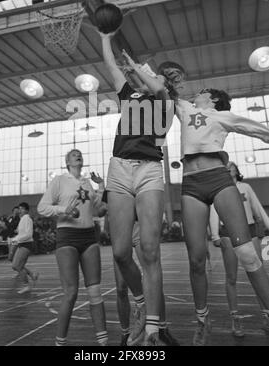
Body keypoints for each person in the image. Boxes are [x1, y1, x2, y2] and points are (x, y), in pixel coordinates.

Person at [167, 77, 269, 346]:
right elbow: (158, 88)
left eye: (201, 92)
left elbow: (254, 128)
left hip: (218, 178)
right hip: (191, 183)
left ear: (211, 99)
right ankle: (202, 320)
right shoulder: (183, 108)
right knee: (197, 259)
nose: (196, 94)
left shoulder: (221, 115)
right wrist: (136, 68)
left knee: (246, 252)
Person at [100, 32, 175, 346]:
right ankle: (143, 302)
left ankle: (154, 330)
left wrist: (133, 62)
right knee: (119, 252)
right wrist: (106, 37)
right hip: (119, 168)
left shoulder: (163, 98)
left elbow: (157, 84)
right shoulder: (127, 92)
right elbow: (109, 65)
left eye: (153, 72)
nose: (151, 75)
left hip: (148, 171)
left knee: (149, 249)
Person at [37, 149, 108, 347]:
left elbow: (98, 207)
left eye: (80, 154)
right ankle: (60, 343)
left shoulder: (86, 183)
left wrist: (101, 186)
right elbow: (42, 207)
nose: (79, 155)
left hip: (89, 236)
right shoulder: (59, 181)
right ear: (67, 161)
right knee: (71, 292)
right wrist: (63, 210)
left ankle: (103, 344)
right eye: (74, 154)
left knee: (95, 292)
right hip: (67, 236)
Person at [210, 161, 269, 336]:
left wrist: (267, 224)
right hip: (228, 233)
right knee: (231, 277)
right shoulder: (218, 190)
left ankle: (266, 315)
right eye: (225, 166)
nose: (229, 167)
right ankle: (235, 319)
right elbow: (214, 210)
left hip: (250, 232)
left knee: (259, 275)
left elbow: (257, 208)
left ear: (236, 170)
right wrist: (215, 234)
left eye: (232, 166)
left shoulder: (246, 187)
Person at [113, 221, 179, 346]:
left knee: (152, 278)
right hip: (120, 221)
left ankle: (162, 329)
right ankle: (125, 333)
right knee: (121, 288)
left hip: (138, 222)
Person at [11, 202, 39, 294]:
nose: (20, 210)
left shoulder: (27, 218)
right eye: (19, 208)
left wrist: (15, 239)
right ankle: (32, 275)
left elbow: (28, 234)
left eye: (22, 208)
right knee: (18, 266)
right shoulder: (22, 219)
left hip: (26, 245)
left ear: (26, 210)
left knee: (16, 266)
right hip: (22, 244)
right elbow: (22, 233)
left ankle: (26, 285)